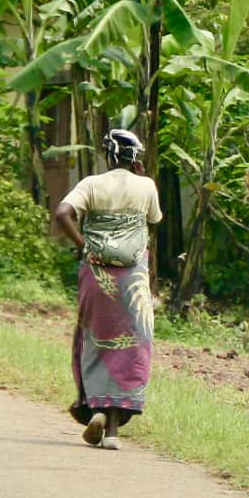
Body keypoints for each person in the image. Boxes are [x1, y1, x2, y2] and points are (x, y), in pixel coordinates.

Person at [54, 130, 161, 451]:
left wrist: (84, 244)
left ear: (108, 155)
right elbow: (154, 219)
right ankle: (113, 430)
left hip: (95, 274)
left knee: (94, 340)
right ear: (136, 158)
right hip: (133, 280)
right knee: (132, 348)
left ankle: (96, 409)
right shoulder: (147, 186)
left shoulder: (91, 184)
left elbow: (62, 213)